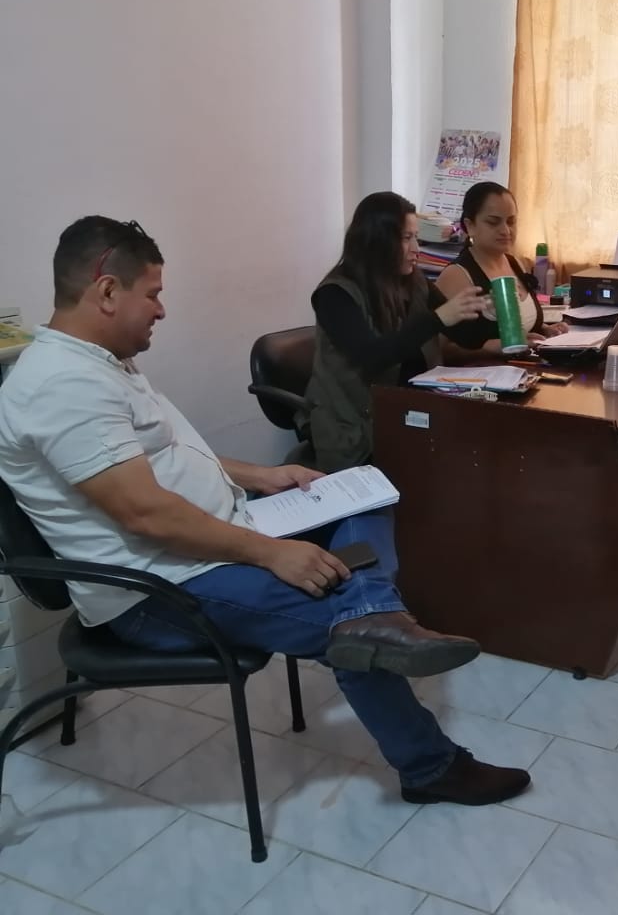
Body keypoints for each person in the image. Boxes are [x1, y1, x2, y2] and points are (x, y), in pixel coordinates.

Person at [0, 216, 530, 806]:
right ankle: (428, 760)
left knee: (364, 496)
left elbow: (169, 456)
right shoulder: (61, 386)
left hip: (213, 538)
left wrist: (265, 476)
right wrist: (272, 553)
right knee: (350, 620)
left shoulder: (100, 362)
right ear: (106, 291)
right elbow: (146, 515)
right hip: (158, 590)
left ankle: (374, 611)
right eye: (152, 294)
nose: (161, 310)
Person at [306, 191, 488, 473]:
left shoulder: (414, 282)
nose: (416, 248)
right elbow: (372, 356)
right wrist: (438, 318)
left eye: (416, 237)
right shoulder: (335, 293)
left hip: (413, 418)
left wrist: (487, 312)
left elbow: (468, 338)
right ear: (378, 241)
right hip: (356, 432)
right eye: (406, 238)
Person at [435, 181, 567, 361]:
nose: (506, 230)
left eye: (511, 222)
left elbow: (522, 325)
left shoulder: (514, 263)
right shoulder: (456, 275)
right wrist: (490, 348)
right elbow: (443, 350)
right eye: (493, 222)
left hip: (525, 369)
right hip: (485, 375)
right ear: (470, 225)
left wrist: (546, 330)